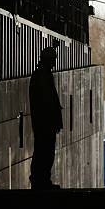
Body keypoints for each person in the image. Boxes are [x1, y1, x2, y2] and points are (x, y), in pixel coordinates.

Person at [29, 46, 63, 189]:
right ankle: (41, 180)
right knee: (45, 152)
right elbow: (47, 101)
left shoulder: (40, 75)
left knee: (43, 151)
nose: (54, 63)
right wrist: (54, 121)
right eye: (53, 60)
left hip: (42, 123)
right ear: (48, 60)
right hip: (45, 124)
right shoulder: (43, 76)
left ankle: (40, 179)